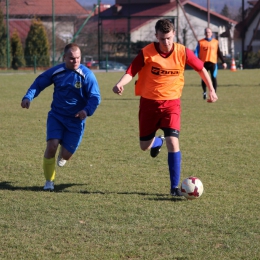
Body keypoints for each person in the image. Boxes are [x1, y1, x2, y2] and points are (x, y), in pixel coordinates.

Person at [112, 19, 218, 197]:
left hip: (171, 104)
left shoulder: (182, 51)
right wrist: (120, 84)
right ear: (156, 36)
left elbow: (201, 69)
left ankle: (174, 188)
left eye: (169, 38)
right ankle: (157, 141)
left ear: (174, 35)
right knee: (144, 146)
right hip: (149, 104)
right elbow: (131, 71)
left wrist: (211, 90)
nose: (166, 42)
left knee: (173, 142)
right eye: (162, 39)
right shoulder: (146, 53)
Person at [21, 43, 101, 191]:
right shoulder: (56, 72)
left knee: (66, 155)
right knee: (51, 146)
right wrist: (28, 97)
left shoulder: (87, 75)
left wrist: (86, 111)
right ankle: (49, 182)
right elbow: (39, 83)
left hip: (76, 120)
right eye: (71, 58)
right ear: (64, 57)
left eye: (78, 58)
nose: (75, 61)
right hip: (56, 116)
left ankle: (63, 155)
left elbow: (95, 97)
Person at [194, 27, 227, 99]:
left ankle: (214, 93)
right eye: (206, 32)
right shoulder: (200, 42)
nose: (207, 33)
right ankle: (205, 92)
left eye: (209, 32)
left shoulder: (215, 42)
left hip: (213, 63)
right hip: (203, 63)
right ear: (204, 33)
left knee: (214, 78)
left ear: (211, 33)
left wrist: (223, 62)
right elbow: (196, 52)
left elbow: (219, 52)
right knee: (204, 78)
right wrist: (195, 61)